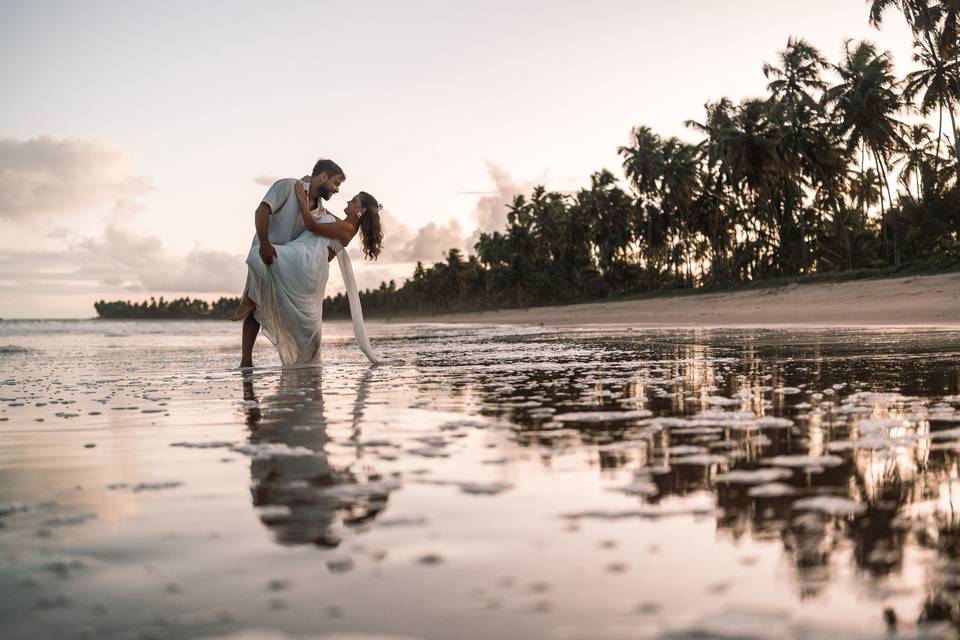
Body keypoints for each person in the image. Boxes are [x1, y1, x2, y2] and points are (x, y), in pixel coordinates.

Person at [236, 184, 385, 366]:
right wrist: (315, 196)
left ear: (360, 210)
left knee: (258, 255)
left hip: (305, 262)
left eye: (353, 201)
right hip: (303, 257)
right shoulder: (343, 224)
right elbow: (323, 214)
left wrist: (301, 197)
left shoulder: (347, 230)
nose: (347, 201)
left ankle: (251, 302)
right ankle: (253, 303)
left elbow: (312, 224)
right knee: (261, 260)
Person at [233, 158, 352, 367]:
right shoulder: (287, 186)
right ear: (322, 177)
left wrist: (363, 216)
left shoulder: (320, 211)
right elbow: (261, 211)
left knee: (297, 313)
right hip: (265, 253)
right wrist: (264, 244)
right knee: (254, 304)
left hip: (289, 265)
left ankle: (303, 362)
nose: (336, 189)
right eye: (335, 183)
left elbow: (340, 230)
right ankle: (246, 362)